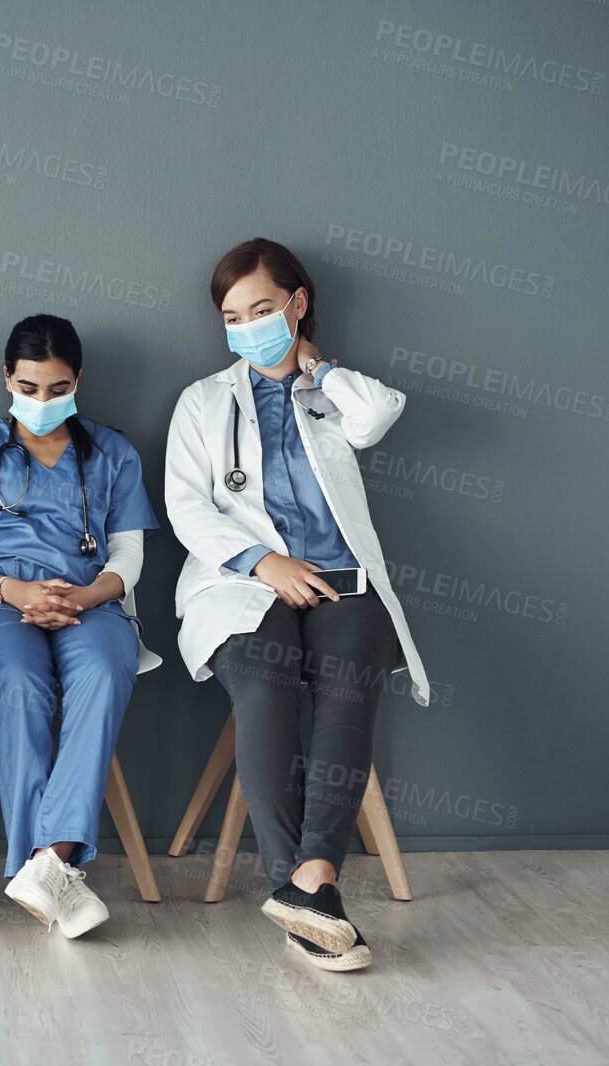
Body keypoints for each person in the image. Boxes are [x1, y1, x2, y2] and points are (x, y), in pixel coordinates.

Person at [163, 238, 431, 972]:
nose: (247, 325)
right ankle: (308, 893)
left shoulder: (329, 392)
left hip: (341, 581)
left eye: (261, 308)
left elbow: (376, 416)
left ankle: (308, 884)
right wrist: (264, 560)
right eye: (231, 315)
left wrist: (315, 365)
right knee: (264, 683)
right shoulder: (203, 401)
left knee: (348, 692)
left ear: (296, 303)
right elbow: (186, 507)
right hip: (242, 584)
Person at [0, 315, 159, 938]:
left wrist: (81, 596)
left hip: (91, 602)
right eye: (29, 388)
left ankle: (45, 862)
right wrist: (14, 590)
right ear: (7, 378)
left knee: (107, 672)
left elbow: (128, 558)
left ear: (77, 381)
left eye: (57, 389)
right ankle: (55, 867)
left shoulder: (114, 452)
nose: (42, 401)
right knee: (23, 686)